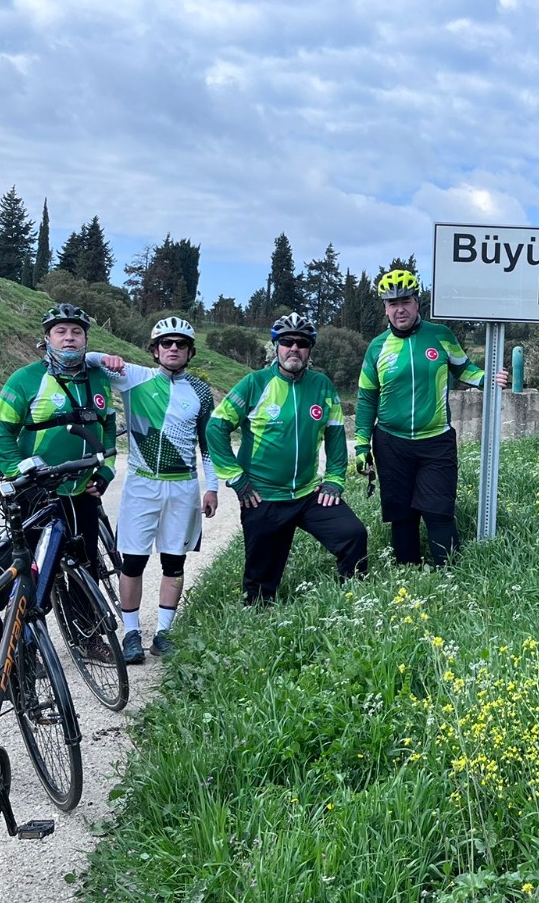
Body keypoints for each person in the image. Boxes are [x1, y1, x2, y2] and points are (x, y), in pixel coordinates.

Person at [207, 313, 367, 604]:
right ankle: (256, 619)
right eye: (287, 342)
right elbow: (215, 427)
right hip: (263, 497)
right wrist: (237, 478)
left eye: (302, 343)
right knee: (259, 587)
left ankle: (355, 601)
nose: (294, 348)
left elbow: (334, 438)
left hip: (308, 494)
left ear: (309, 350)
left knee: (353, 534)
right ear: (276, 346)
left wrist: (334, 480)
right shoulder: (255, 383)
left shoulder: (322, 386)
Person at [353, 268, 509, 567]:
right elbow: (366, 398)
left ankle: (449, 576)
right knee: (402, 516)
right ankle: (408, 577)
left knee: (439, 511)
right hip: (390, 442)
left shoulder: (440, 335)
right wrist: (361, 445)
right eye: (392, 303)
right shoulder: (377, 347)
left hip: (436, 441)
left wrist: (488, 378)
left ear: (417, 302)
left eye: (406, 301)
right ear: (385, 308)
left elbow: (464, 369)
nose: (400, 309)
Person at [85, 317, 218, 663]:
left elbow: (208, 445)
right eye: (166, 343)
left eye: (180, 344)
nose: (173, 348)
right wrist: (105, 359)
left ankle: (163, 633)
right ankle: (131, 634)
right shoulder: (134, 377)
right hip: (142, 484)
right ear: (155, 351)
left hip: (183, 487)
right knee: (133, 562)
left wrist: (213, 488)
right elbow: (83, 359)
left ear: (190, 352)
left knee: (174, 562)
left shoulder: (201, 392)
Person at [0, 303, 119, 566]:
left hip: (83, 490)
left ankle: (86, 608)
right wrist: (17, 472)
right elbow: (0, 431)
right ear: (47, 339)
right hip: (39, 492)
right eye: (60, 331)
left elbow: (108, 428)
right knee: (36, 572)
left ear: (86, 340)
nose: (69, 336)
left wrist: (106, 472)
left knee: (86, 567)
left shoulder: (99, 378)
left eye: (76, 331)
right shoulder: (25, 378)